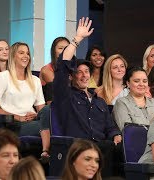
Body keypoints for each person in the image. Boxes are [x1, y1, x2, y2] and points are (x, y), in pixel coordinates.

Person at [53, 17, 122, 177]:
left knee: (113, 149)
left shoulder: (100, 101)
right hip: (77, 148)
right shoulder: (65, 96)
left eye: (87, 72)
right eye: (79, 71)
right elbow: (63, 65)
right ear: (71, 76)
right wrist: (77, 39)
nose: (84, 75)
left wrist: (116, 134)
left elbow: (110, 127)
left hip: (101, 149)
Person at [0, 42, 45, 136]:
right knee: (45, 129)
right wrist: (16, 117)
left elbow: (42, 110)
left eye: (27, 53)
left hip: (33, 122)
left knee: (50, 125)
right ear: (13, 56)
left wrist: (37, 115)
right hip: (11, 124)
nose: (26, 56)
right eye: (21, 53)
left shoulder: (36, 80)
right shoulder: (2, 77)